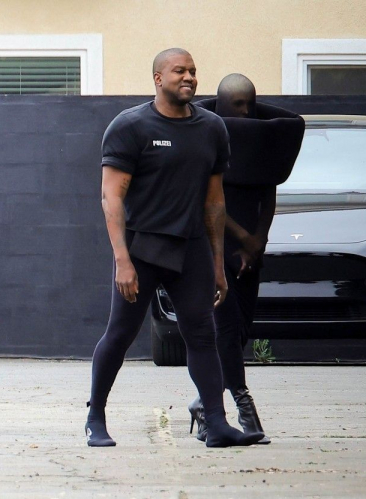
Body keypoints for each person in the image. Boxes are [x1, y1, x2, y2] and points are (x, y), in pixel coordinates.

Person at [85, 50, 264, 448]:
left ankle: (216, 424)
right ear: (158, 78)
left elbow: (214, 202)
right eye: (179, 71)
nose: (189, 77)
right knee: (120, 334)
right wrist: (122, 260)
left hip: (192, 248)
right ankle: (95, 417)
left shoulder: (212, 128)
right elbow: (111, 198)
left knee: (202, 335)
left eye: (193, 71)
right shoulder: (130, 126)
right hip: (143, 249)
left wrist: (216, 264)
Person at [188, 74, 305, 444]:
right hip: (214, 248)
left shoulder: (260, 144)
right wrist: (244, 238)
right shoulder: (206, 139)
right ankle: (243, 404)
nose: (246, 111)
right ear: (222, 106)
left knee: (239, 331)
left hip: (250, 251)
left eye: (250, 104)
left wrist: (258, 241)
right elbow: (209, 203)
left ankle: (203, 404)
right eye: (238, 104)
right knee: (224, 328)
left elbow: (269, 193)